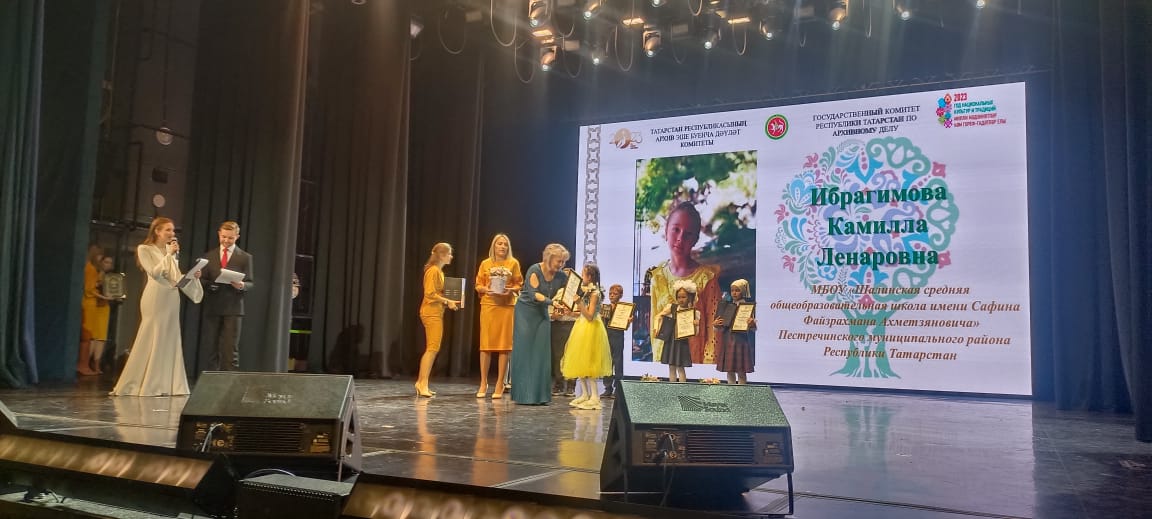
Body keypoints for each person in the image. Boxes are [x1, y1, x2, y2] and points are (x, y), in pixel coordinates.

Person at [111, 217, 203, 396]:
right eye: (168, 230)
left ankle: (168, 384)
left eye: (173, 230)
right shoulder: (144, 249)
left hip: (171, 297)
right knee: (153, 334)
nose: (172, 233)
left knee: (169, 336)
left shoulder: (171, 252)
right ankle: (146, 383)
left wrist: (193, 277)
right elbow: (154, 273)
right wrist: (169, 255)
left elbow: (175, 277)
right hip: (156, 297)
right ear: (157, 231)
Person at [648, 202, 720, 366]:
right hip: (664, 363)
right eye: (676, 230)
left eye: (688, 234)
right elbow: (654, 326)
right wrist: (657, 365)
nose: (680, 238)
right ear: (666, 230)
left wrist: (705, 370)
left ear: (695, 239)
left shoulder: (707, 279)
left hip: (695, 365)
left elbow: (714, 331)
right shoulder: (657, 278)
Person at [510, 243, 570, 405]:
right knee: (525, 352)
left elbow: (570, 292)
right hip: (526, 312)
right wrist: (553, 303)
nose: (561, 264)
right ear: (549, 258)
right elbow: (533, 294)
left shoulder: (561, 275)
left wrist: (567, 304)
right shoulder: (535, 270)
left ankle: (540, 396)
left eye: (563, 262)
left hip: (542, 313)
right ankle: (524, 395)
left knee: (541, 353)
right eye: (559, 261)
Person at [199, 221, 254, 372]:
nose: (226, 240)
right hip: (213, 306)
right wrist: (208, 284)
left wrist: (241, 285)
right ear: (219, 234)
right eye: (223, 237)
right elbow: (202, 280)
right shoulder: (209, 256)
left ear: (237, 237)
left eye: (230, 238)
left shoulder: (245, 257)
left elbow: (250, 282)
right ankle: (212, 380)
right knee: (211, 347)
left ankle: (229, 381)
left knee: (231, 349)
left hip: (233, 307)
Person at [474, 234, 523, 399]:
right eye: (499, 244)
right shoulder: (485, 264)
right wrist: (484, 289)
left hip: (506, 307)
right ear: (494, 246)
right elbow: (478, 285)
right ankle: (483, 383)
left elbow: (519, 284)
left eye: (505, 244)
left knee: (504, 346)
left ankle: (500, 383)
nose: (502, 247)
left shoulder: (513, 263)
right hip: (489, 305)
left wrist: (510, 290)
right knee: (485, 346)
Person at [560, 264, 613, 410]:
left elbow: (590, 316)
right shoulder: (587, 292)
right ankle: (584, 394)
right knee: (580, 360)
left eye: (583, 275)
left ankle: (595, 396)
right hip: (581, 326)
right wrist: (571, 313)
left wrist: (578, 303)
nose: (581, 277)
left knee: (590, 362)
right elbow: (583, 313)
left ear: (590, 277)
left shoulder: (595, 293)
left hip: (591, 328)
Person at [416, 242, 460, 397]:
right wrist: (447, 300)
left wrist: (450, 300)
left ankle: (422, 382)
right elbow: (429, 294)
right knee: (432, 348)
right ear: (441, 255)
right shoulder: (433, 270)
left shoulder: (439, 272)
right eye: (449, 254)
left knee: (433, 348)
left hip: (436, 312)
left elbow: (437, 293)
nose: (451, 256)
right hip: (431, 313)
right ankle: (422, 383)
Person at [714, 279, 757, 384]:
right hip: (728, 341)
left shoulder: (747, 307)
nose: (734, 293)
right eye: (732, 290)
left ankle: (741, 392)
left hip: (741, 341)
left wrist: (752, 324)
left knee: (741, 371)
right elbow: (718, 327)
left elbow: (753, 328)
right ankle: (731, 390)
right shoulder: (726, 306)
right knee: (730, 370)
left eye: (737, 290)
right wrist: (715, 324)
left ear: (743, 291)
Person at [80, 252, 117, 375]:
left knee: (101, 337)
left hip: (103, 307)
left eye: (110, 263)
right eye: (106, 262)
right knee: (91, 336)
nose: (108, 265)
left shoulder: (110, 277)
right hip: (94, 306)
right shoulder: (93, 272)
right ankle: (86, 364)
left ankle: (96, 364)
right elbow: (89, 289)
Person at [657, 280, 698, 383]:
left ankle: (682, 389)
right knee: (671, 366)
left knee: (680, 367)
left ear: (689, 297)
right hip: (671, 340)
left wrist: (695, 325)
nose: (681, 299)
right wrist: (661, 321)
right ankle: (673, 388)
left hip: (682, 342)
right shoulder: (672, 308)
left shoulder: (693, 312)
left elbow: (696, 333)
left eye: (684, 297)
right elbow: (660, 316)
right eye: (679, 297)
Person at [600, 284, 632, 399]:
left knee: (618, 363)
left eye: (615, 294)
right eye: (610, 293)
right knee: (607, 363)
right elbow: (602, 324)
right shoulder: (605, 307)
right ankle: (607, 388)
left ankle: (618, 389)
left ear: (620, 295)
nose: (612, 296)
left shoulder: (624, 309)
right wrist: (601, 316)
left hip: (618, 337)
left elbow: (625, 327)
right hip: (606, 336)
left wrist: (628, 322)